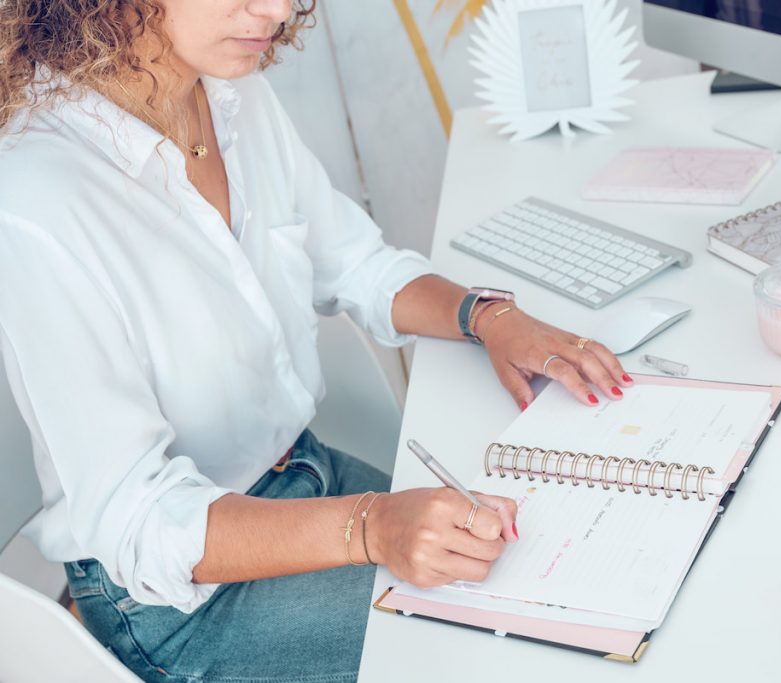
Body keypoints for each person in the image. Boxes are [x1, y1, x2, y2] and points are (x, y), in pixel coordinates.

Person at [0, 1, 633, 681]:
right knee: (510, 643)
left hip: (305, 476)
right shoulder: (38, 195)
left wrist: (486, 316)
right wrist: (372, 526)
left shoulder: (232, 90)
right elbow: (139, 520)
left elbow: (353, 261)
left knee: (558, 570)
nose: (274, 11)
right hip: (177, 601)